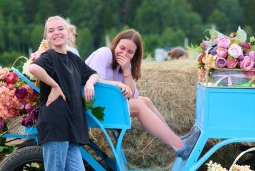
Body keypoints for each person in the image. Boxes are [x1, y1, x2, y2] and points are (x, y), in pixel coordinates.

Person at [29, 15, 130, 171]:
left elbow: (92, 73)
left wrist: (90, 83)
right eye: (51, 30)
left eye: (60, 28)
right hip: (55, 124)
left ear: (68, 32)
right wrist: (54, 85)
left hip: (73, 126)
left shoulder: (73, 59)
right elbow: (33, 67)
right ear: (47, 36)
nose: (56, 33)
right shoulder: (49, 58)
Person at [85, 29, 200, 159]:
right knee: (139, 106)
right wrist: (117, 84)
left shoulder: (124, 66)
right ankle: (179, 146)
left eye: (130, 52)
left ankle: (174, 140)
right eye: (122, 48)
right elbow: (95, 82)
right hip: (91, 106)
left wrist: (126, 70)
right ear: (115, 44)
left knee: (145, 101)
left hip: (106, 104)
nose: (123, 54)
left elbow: (131, 96)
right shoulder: (104, 53)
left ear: (135, 54)